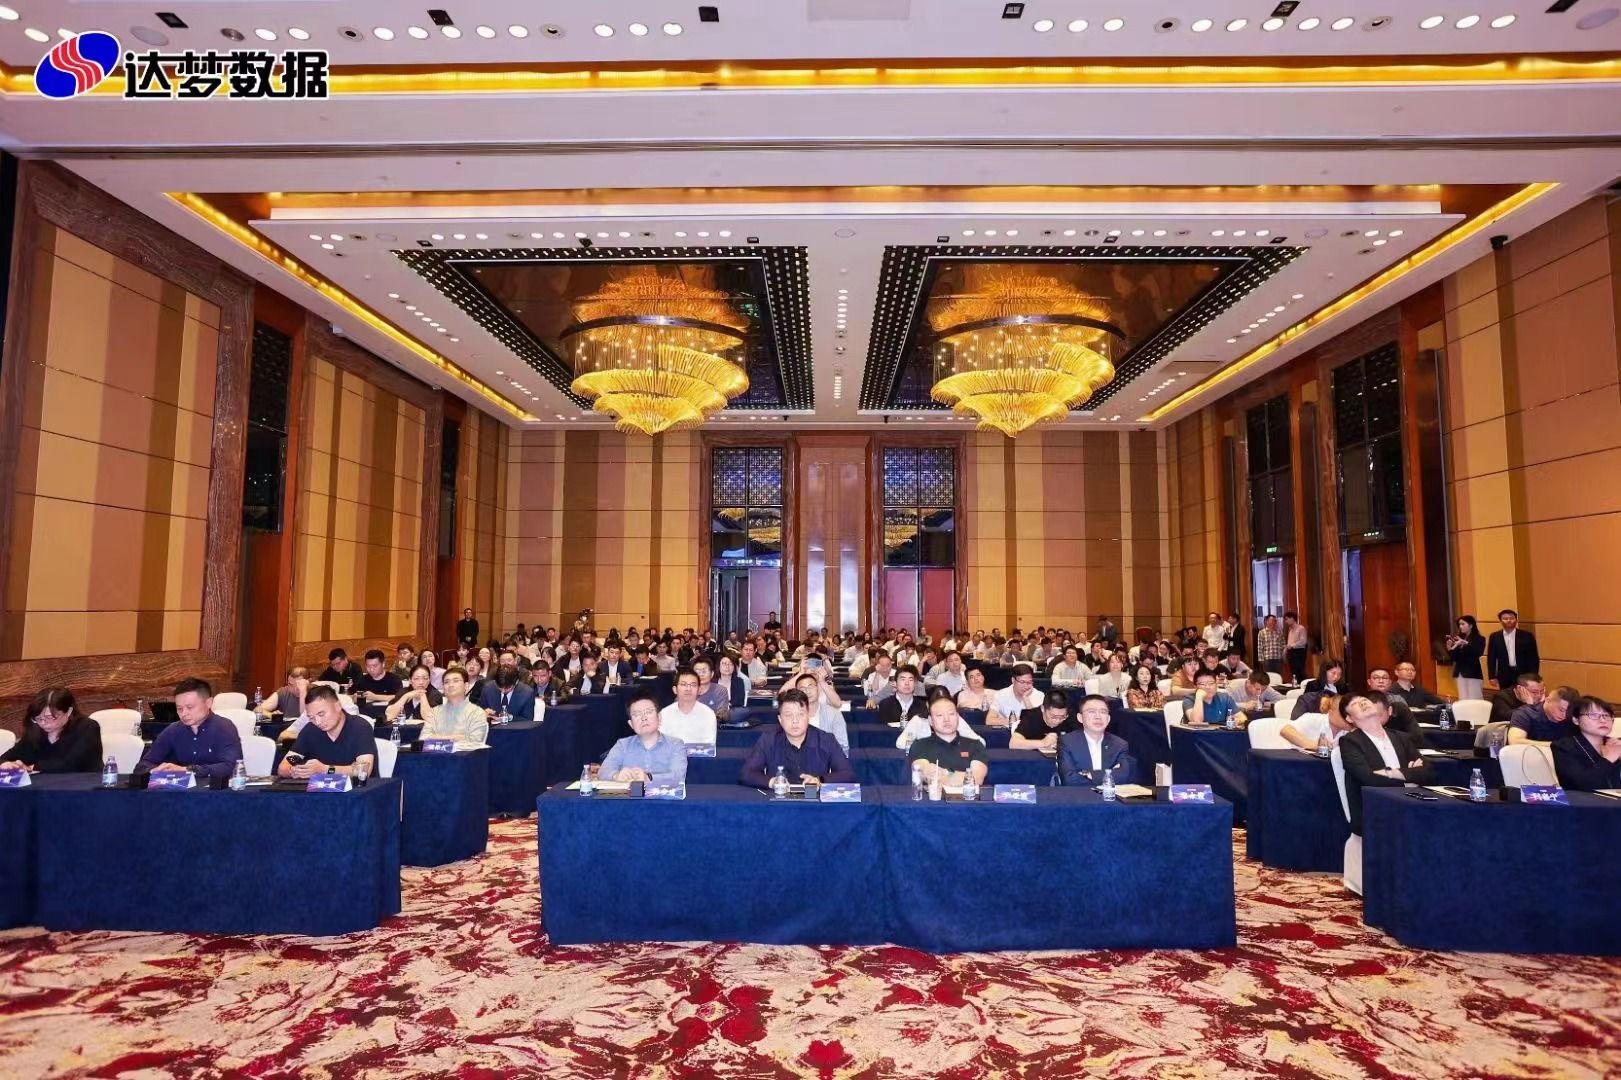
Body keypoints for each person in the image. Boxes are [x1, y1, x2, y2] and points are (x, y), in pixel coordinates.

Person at [1337, 691, 1432, 835]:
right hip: (1375, 810)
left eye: (1364, 699)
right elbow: (1368, 778)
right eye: (1354, 704)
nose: (1362, 702)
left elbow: (1428, 771)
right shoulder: (1350, 742)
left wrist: (1393, 773)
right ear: (1349, 718)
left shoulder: (1401, 737)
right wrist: (1408, 780)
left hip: (1410, 805)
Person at [740, 688, 855, 788]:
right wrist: (772, 782)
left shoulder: (826, 740)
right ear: (780, 720)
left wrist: (819, 780)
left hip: (815, 802)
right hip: (779, 802)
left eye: (800, 714)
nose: (795, 721)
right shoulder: (768, 740)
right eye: (789, 715)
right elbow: (746, 773)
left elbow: (847, 774)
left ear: (808, 716)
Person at [136, 677, 243, 780]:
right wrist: (155, 770)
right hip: (179, 789)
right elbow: (143, 765)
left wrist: (187, 770)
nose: (184, 713)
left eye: (190, 707)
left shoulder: (224, 727)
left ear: (208, 703)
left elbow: (231, 766)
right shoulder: (173, 730)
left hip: (216, 789)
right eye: (179, 709)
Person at [277, 685, 378, 779]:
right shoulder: (310, 729)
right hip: (320, 788)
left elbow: (364, 771)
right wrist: (297, 771)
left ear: (338, 706)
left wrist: (325, 770)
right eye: (311, 717)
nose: (317, 722)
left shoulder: (360, 727)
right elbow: (283, 768)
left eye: (321, 714)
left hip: (358, 789)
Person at [0, 688, 103, 774]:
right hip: (42, 787)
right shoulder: (36, 730)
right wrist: (5, 764)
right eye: (38, 718)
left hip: (85, 785)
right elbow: (8, 756)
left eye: (50, 717)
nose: (43, 723)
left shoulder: (88, 727)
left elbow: (72, 763)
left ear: (68, 711)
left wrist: (33, 767)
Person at [598, 690, 687, 786]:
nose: (644, 718)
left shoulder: (675, 744)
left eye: (648, 712)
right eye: (637, 714)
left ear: (659, 718)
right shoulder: (622, 745)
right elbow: (603, 771)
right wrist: (616, 776)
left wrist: (648, 777)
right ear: (631, 724)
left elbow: (678, 776)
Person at [907, 696, 989, 788]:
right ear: (930, 720)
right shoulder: (919, 745)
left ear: (958, 717)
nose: (946, 719)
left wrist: (946, 773)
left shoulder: (975, 745)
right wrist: (961, 776)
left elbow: (977, 778)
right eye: (939, 715)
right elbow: (927, 773)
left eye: (951, 714)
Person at [1059, 694, 1135, 787]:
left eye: (1103, 712)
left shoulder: (1119, 744)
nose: (1098, 716)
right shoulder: (1067, 742)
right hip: (1078, 795)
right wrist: (1109, 774)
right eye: (1091, 711)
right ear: (1080, 717)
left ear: (1108, 719)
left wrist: (1090, 775)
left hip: (1109, 795)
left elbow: (1123, 777)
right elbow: (1069, 780)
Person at [1551, 696, 1621, 792]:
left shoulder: (1616, 744)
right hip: (1584, 800)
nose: (1603, 720)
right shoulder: (1563, 747)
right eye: (1593, 715)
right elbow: (1581, 785)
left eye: (1606, 715)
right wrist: (1608, 759)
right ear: (1576, 720)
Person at [426, 667, 492, 744]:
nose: (451, 685)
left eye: (456, 681)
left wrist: (441, 738)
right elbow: (427, 739)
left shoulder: (477, 713)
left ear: (466, 686)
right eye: (446, 682)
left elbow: (472, 740)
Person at [792, 669, 850, 752]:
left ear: (818, 689)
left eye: (810, 686)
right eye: (803, 689)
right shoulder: (791, 716)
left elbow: (843, 748)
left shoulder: (834, 715)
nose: (807, 691)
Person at [659, 669, 717, 747]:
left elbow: (709, 746)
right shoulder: (664, 714)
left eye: (693, 685)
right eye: (683, 684)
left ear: (699, 690)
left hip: (699, 755)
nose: (688, 689)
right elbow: (661, 745)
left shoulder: (708, 714)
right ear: (675, 690)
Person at [1487, 608, 1540, 692]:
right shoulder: (1495, 637)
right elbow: (1491, 658)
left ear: (1516, 620)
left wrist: (1534, 676)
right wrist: (1492, 676)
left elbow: (1534, 658)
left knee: (1524, 695)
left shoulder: (1527, 636)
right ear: (1500, 621)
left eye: (1511, 618)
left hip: (1523, 674)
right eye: (1505, 618)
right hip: (1504, 674)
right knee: (1506, 697)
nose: (1509, 620)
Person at [1010, 688, 1078, 751]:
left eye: (1062, 717)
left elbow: (1080, 739)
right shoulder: (1031, 717)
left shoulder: (1070, 716)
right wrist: (1043, 743)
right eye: (1053, 717)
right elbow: (1013, 744)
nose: (1057, 721)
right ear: (1042, 708)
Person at [1280, 693, 1350, 751]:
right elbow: (1285, 731)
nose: (1349, 718)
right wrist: (1313, 745)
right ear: (1331, 712)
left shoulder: (1350, 731)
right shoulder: (1313, 718)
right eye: (1344, 714)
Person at [1509, 684, 1576, 745]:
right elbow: (1515, 741)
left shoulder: (1572, 719)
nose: (1564, 715)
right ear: (1548, 700)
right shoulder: (1525, 713)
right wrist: (1555, 746)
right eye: (1561, 710)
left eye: (1568, 712)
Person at [351, 649, 403, 722]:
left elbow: (400, 698)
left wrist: (375, 697)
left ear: (383, 664)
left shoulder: (394, 679)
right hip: (365, 717)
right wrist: (355, 698)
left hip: (388, 716)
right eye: (368, 666)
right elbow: (356, 698)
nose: (371, 669)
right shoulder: (362, 680)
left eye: (375, 666)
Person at [1446, 615, 1487, 701]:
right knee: (1463, 698)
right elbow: (1455, 658)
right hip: (1460, 673)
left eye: (1463, 624)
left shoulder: (1479, 639)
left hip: (1473, 673)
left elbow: (1478, 652)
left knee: (1475, 698)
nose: (1460, 626)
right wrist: (1450, 649)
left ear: (1471, 625)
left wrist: (1465, 643)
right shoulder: (1458, 639)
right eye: (1459, 624)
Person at [1284, 611, 1310, 684]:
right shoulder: (1290, 629)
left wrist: (1291, 646)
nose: (1286, 621)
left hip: (1298, 652)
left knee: (1300, 671)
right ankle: (1296, 686)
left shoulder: (1301, 628)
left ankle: (1303, 686)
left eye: (1287, 619)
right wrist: (1286, 649)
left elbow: (1303, 641)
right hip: (1291, 653)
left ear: (1292, 618)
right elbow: (1289, 642)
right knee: (1293, 672)